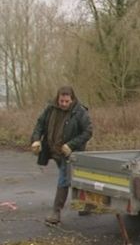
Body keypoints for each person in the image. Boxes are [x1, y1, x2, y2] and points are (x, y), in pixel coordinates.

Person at [30, 86, 93, 224]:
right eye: (61, 101)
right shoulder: (50, 108)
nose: (63, 104)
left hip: (71, 153)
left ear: (72, 99)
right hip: (54, 151)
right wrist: (35, 139)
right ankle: (88, 203)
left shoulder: (80, 112)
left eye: (66, 101)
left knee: (64, 179)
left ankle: (56, 212)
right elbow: (40, 124)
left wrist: (71, 145)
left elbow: (88, 132)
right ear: (57, 99)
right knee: (74, 177)